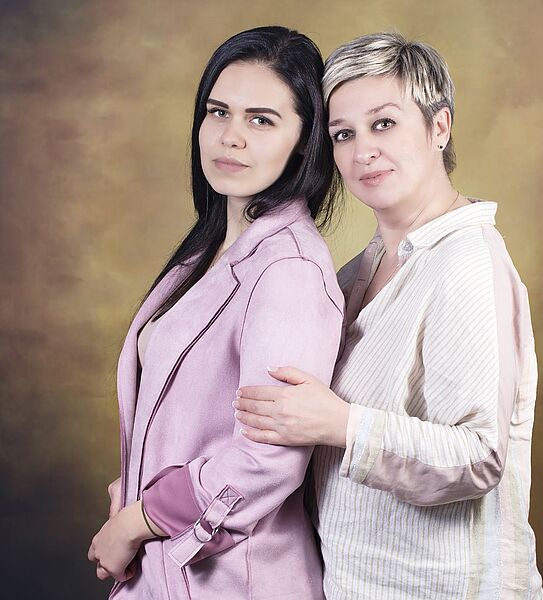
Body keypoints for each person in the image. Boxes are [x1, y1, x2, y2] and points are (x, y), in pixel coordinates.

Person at [235, 32, 543, 599]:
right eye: (342, 134)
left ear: (440, 127)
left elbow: (480, 455)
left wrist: (339, 425)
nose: (361, 152)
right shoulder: (362, 268)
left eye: (384, 124)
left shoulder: (466, 262)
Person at [87, 26, 344, 600]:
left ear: (306, 141)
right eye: (218, 112)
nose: (231, 137)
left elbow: (265, 460)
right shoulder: (209, 249)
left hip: (236, 580)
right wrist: (135, 487)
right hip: (170, 568)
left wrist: (136, 522)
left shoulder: (289, 270)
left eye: (262, 120)